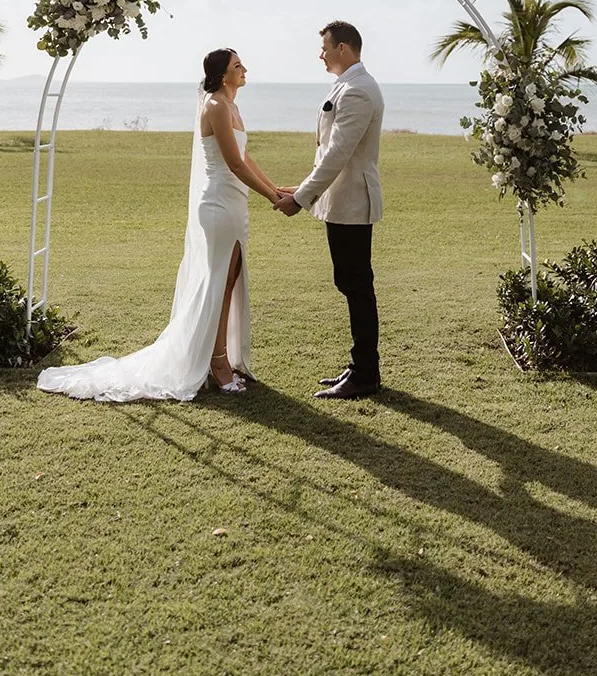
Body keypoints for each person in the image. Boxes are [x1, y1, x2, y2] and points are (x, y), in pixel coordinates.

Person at [37, 48, 280, 403]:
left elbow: (246, 157)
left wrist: (277, 188)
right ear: (221, 75)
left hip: (235, 205)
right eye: (237, 66)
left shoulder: (233, 106)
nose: (245, 69)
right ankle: (216, 363)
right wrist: (273, 199)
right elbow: (234, 165)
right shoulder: (214, 106)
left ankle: (222, 357)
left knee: (228, 281)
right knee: (216, 282)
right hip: (218, 205)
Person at [274, 21, 385, 399]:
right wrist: (303, 187)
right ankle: (361, 366)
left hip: (352, 202)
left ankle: (366, 374)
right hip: (341, 201)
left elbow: (338, 154)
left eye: (324, 47)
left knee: (356, 285)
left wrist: (301, 199)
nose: (320, 54)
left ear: (343, 48)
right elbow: (328, 152)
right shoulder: (347, 86)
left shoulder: (357, 91)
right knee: (351, 283)